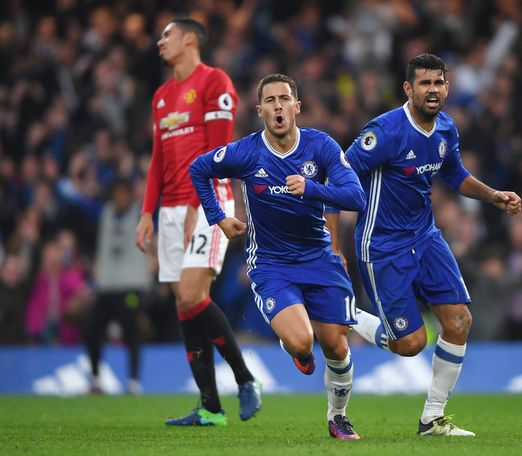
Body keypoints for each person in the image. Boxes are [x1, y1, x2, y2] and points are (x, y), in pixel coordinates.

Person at [335, 54, 522, 436]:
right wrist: (334, 245)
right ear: (408, 89)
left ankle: (432, 420)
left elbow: (455, 174)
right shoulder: (384, 132)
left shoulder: (446, 129)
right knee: (410, 344)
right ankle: (344, 312)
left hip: (425, 237)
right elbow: (340, 176)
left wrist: (492, 195)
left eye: (438, 82)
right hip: (383, 245)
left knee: (459, 321)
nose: (432, 90)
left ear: (447, 87)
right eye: (424, 83)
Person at [189, 73, 366, 440]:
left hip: (319, 257)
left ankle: (338, 416)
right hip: (271, 265)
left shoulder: (322, 147)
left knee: (336, 344)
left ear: (297, 107)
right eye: (270, 101)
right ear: (260, 111)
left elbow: (356, 198)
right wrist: (219, 218)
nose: (278, 106)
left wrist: (312, 188)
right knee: (303, 343)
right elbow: (199, 169)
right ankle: (297, 348)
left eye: (284, 99)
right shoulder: (247, 151)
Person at [134, 17, 260, 426]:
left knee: (191, 294)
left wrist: (195, 205)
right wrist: (147, 213)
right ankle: (210, 406)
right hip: (168, 209)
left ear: (190, 39)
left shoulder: (214, 83)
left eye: (166, 35)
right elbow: (158, 161)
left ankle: (245, 379)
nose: (160, 42)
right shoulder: (161, 97)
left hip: (209, 200)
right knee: (185, 305)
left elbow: (219, 153)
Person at [86, 178, 152, 395]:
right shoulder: (105, 213)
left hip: (131, 286)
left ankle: (133, 382)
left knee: (130, 331)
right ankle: (95, 380)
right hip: (107, 286)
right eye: (117, 193)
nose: (120, 197)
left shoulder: (142, 214)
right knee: (92, 329)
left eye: (124, 193)